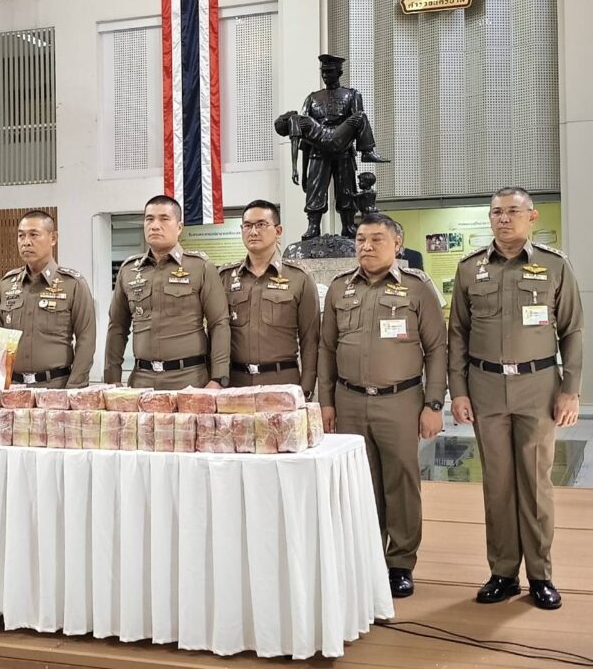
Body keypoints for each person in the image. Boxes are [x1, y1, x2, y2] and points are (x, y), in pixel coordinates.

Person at [448, 187, 583, 611]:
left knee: (536, 484)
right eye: (496, 212)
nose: (503, 219)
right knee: (498, 484)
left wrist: (570, 390)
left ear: (532, 217)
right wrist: (459, 391)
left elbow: (572, 331)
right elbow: (458, 334)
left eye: (512, 212)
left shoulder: (554, 265)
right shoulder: (470, 269)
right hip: (486, 387)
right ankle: (503, 573)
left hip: (538, 386)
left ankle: (540, 574)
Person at [318, 212, 447, 599]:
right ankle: (367, 558)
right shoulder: (340, 288)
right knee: (359, 484)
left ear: (396, 244)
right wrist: (326, 402)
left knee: (401, 484)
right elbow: (326, 348)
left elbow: (437, 349)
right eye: (361, 239)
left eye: (376, 239)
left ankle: (400, 563)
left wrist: (434, 404)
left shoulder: (417, 287)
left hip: (400, 401)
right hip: (349, 401)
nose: (366, 246)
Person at [105, 195, 230, 390]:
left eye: (164, 219)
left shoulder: (200, 267)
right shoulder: (129, 270)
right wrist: (112, 377)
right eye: (149, 219)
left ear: (179, 227)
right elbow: (117, 327)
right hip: (142, 381)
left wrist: (219, 378)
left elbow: (219, 323)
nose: (155, 226)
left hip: (190, 380)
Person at [274, 54, 386, 240]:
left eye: (330, 71)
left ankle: (348, 225)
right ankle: (313, 226)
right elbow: (303, 135)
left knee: (346, 189)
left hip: (343, 149)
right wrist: (302, 170)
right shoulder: (312, 98)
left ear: (339, 72)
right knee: (315, 189)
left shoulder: (352, 95)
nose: (326, 75)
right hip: (318, 151)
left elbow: (357, 126)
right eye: (323, 72)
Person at [218, 200, 319, 396]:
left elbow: (311, 340)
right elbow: (216, 333)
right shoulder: (225, 277)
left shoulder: (299, 278)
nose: (253, 232)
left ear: (278, 231)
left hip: (282, 382)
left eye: (261, 225)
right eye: (247, 225)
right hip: (235, 383)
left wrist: (306, 389)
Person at [0, 210, 96, 388]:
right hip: (14, 387)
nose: (26, 242)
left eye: (34, 234)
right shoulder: (7, 284)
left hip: (56, 386)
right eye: (21, 236)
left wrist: (74, 388)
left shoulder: (72, 284)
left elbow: (86, 340)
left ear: (53, 238)